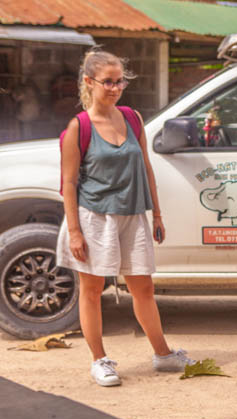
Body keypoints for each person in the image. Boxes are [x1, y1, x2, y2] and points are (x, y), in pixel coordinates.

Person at [56, 49, 196, 387]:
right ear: (89, 82)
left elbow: (146, 167)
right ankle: (99, 360)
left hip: (133, 215)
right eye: (108, 82)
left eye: (120, 81)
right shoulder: (79, 127)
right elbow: (69, 183)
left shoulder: (132, 118)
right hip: (94, 218)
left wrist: (157, 213)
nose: (116, 88)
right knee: (92, 290)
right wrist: (75, 232)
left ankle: (163, 355)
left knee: (143, 287)